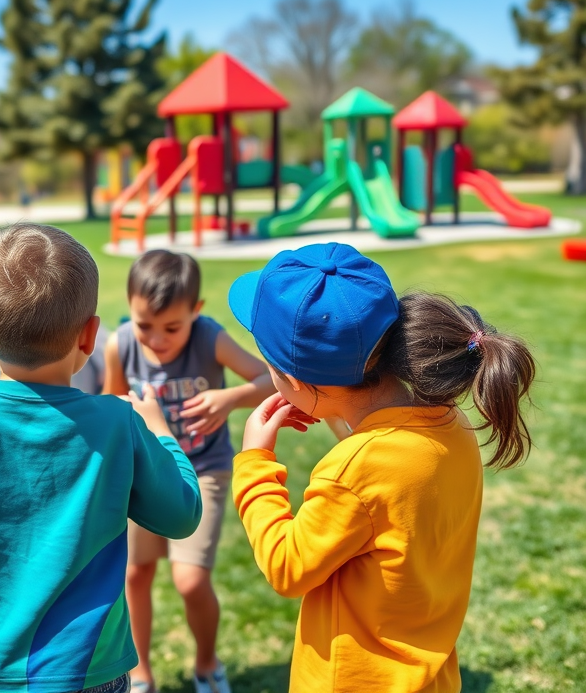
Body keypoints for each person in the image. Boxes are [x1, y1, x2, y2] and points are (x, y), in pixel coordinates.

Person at [0, 223, 204, 693]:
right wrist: (161, 432)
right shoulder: (118, 423)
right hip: (85, 669)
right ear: (89, 336)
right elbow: (181, 515)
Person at [228, 242, 536, 693]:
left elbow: (287, 566)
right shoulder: (452, 424)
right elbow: (385, 491)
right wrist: (333, 411)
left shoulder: (353, 471)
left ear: (294, 381)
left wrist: (255, 460)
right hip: (429, 677)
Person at [103, 249, 275, 693]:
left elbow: (268, 380)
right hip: (146, 476)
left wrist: (229, 398)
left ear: (196, 312)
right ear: (130, 307)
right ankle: (139, 672)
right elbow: (108, 406)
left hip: (204, 471)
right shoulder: (120, 344)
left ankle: (206, 663)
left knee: (189, 577)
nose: (156, 340)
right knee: (135, 574)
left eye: (171, 328)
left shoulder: (209, 337)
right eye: (145, 326)